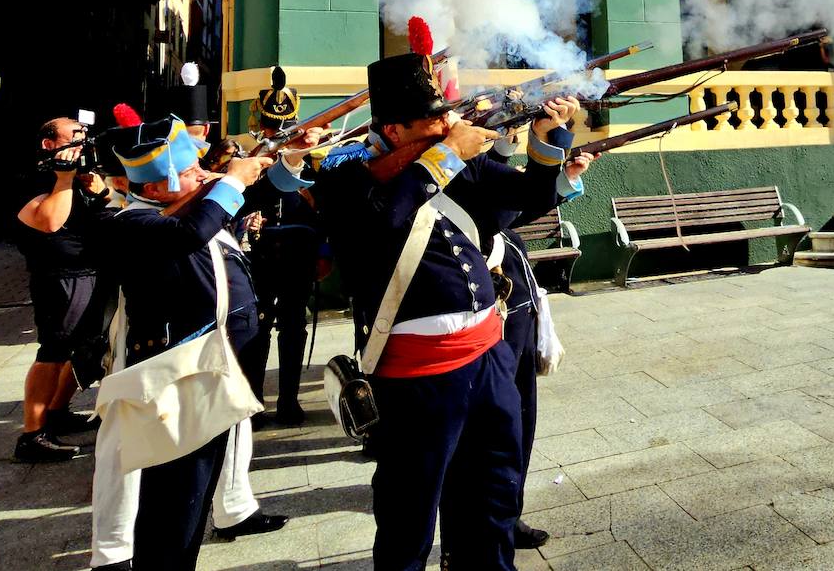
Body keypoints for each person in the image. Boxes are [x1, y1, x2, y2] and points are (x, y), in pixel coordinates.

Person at [277, 50, 589, 571]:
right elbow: (385, 220)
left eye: (446, 115)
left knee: (491, 500)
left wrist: (546, 136)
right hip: (416, 374)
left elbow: (523, 196)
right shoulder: (345, 173)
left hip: (487, 356)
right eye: (435, 119)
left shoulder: (448, 154)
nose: (449, 122)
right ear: (395, 130)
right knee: (409, 520)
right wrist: (445, 156)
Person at [104, 115, 275, 570]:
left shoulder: (190, 203)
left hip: (211, 367)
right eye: (192, 172)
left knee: (194, 501)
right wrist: (232, 179)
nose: (204, 174)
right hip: (178, 379)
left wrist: (282, 160)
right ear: (158, 188)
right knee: (174, 508)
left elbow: (250, 193)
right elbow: (190, 234)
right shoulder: (128, 224)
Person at [480, 128, 595, 553]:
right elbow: (505, 203)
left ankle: (508, 514)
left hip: (521, 314)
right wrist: (517, 151)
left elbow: (517, 207)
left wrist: (562, 177)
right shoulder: (454, 180)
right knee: (499, 430)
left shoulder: (479, 176)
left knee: (520, 424)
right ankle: (492, 521)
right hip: (494, 318)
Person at [13, 116, 113, 462]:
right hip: (59, 279)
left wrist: (97, 191)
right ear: (49, 144)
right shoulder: (34, 179)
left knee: (87, 349)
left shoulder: (80, 174)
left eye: (84, 136)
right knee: (54, 351)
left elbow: (105, 211)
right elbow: (49, 221)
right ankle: (32, 434)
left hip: (89, 273)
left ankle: (57, 411)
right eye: (74, 136)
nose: (82, 141)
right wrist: (65, 179)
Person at [238, 67, 320, 427]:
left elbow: (324, 213)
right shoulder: (250, 159)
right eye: (272, 126)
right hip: (260, 251)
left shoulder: (314, 161)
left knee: (293, 328)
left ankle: (288, 400)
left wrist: (325, 253)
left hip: (299, 252)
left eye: (282, 124)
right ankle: (253, 399)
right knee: (256, 329)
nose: (276, 132)